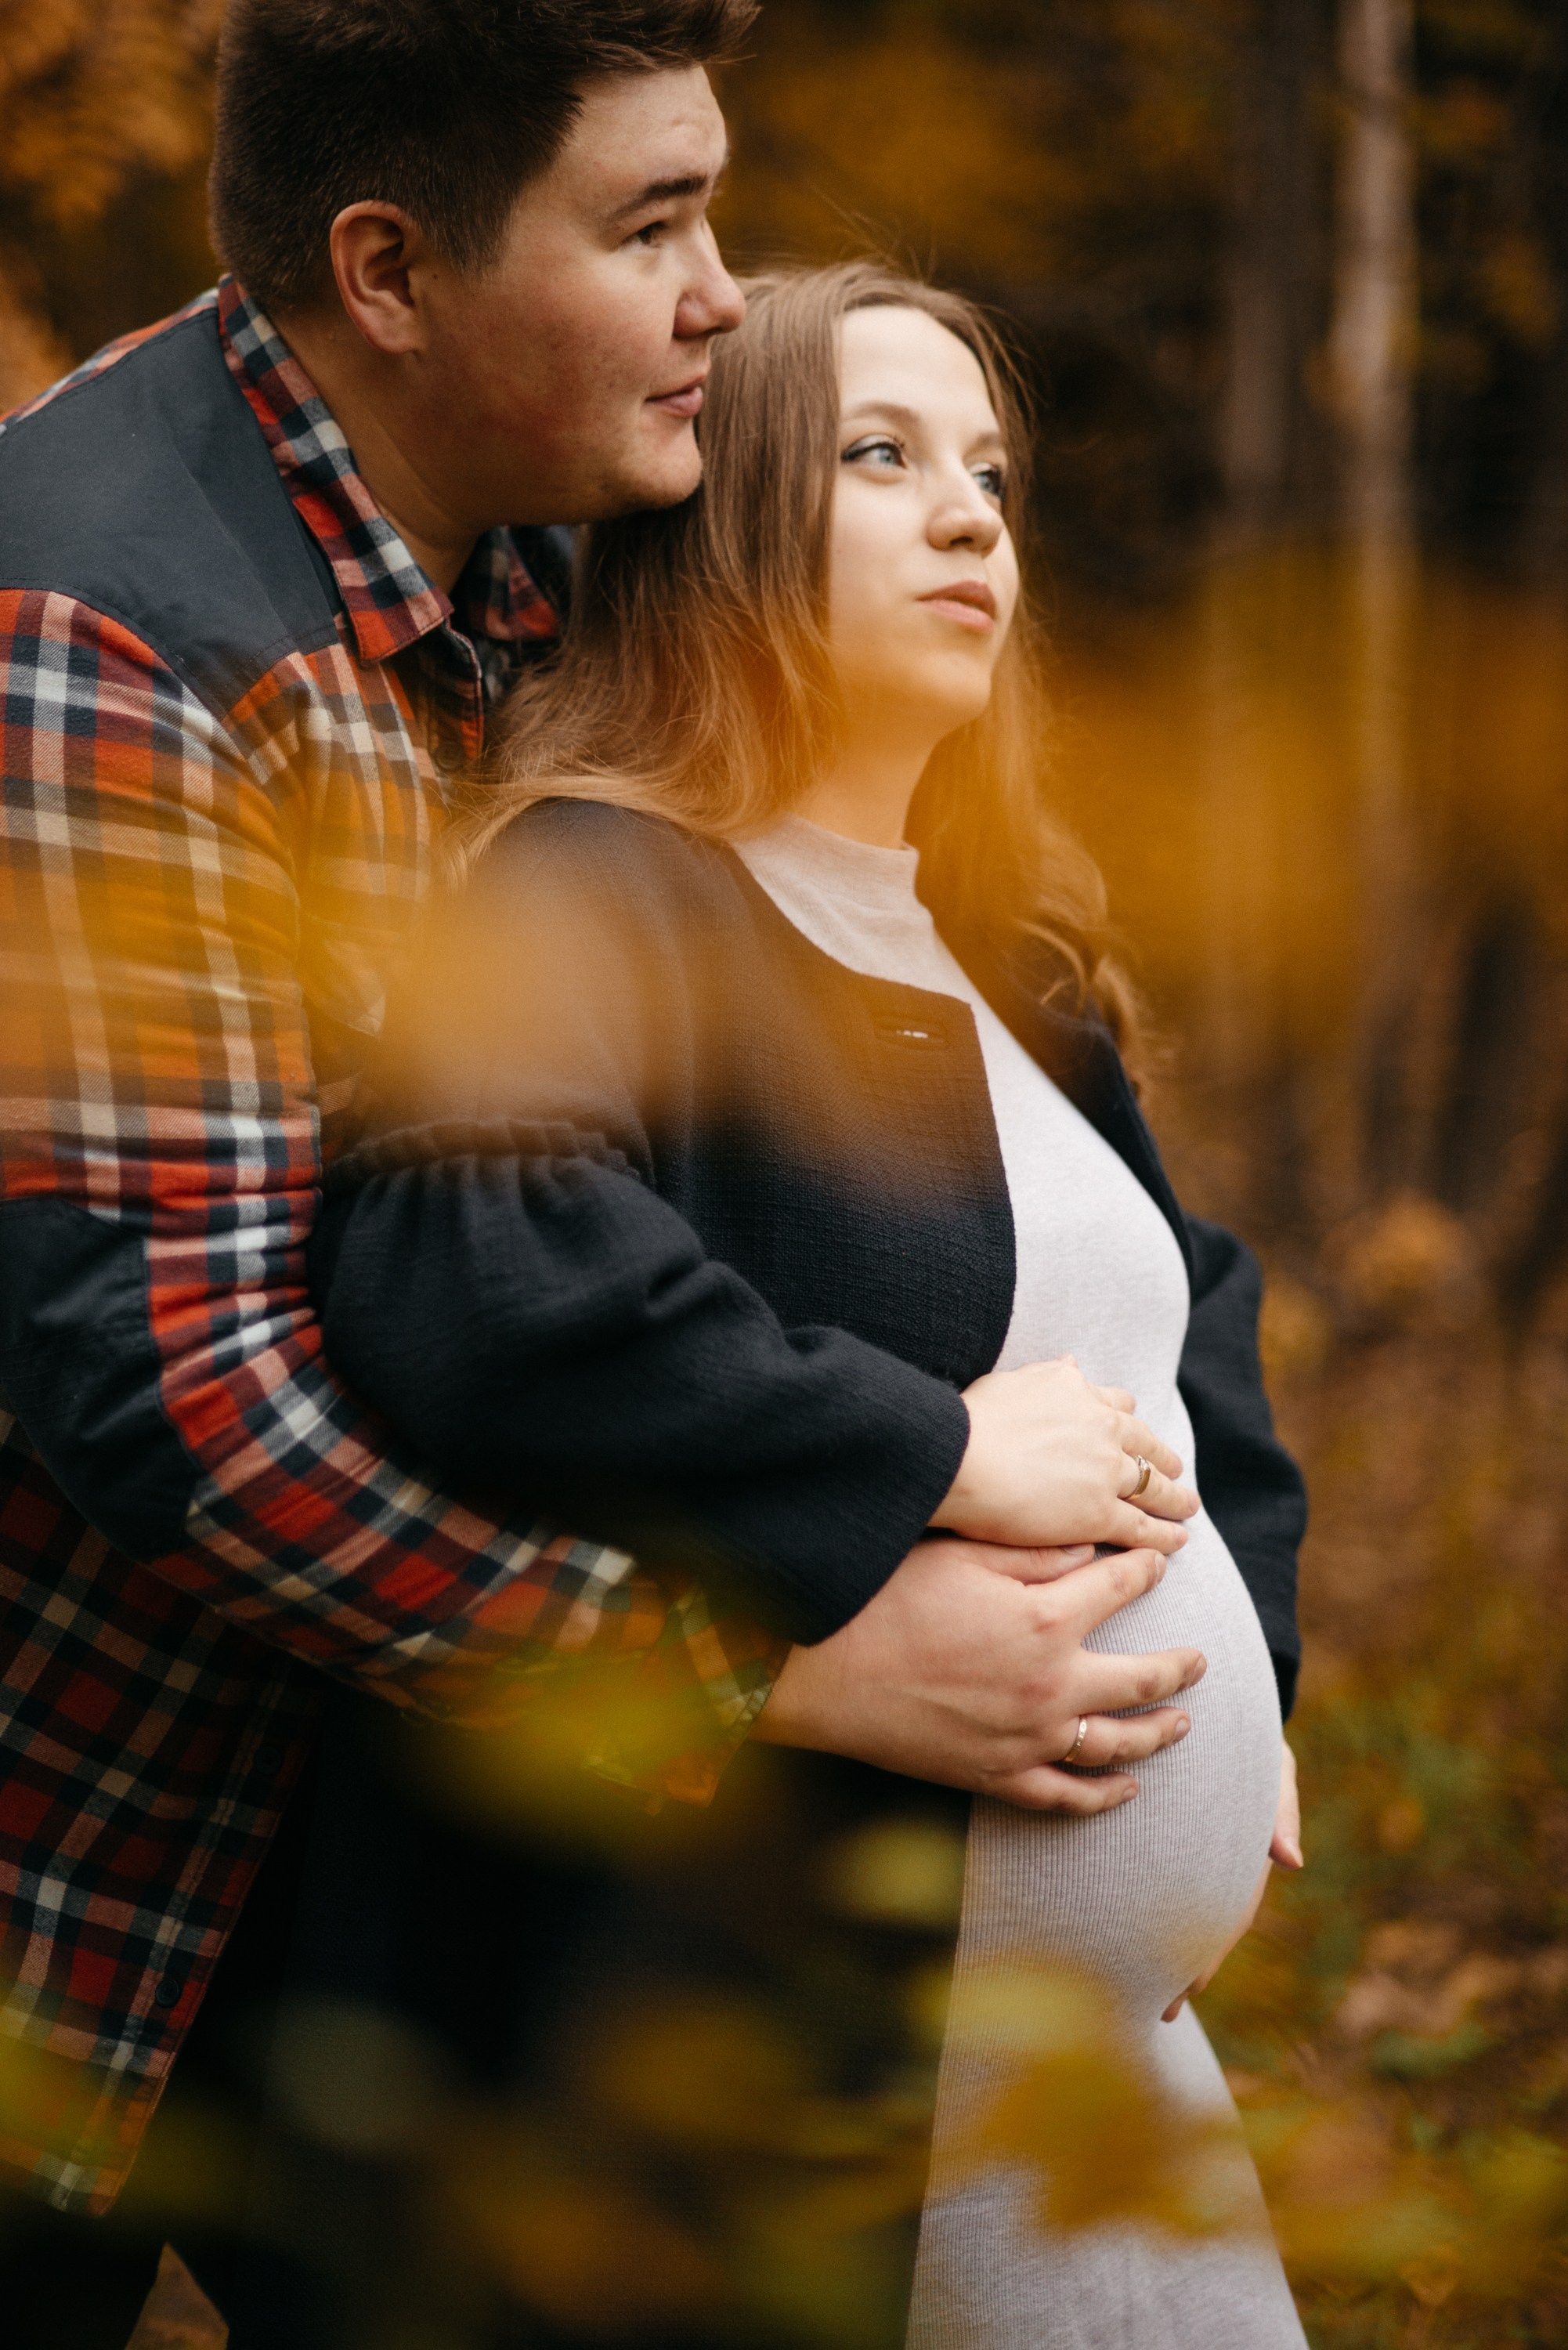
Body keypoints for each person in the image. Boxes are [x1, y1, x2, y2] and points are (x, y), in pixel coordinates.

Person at [0, 9, 1209, 2344]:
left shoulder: (532, 557)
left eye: (715, 207)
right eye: (648, 223)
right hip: (72, 1845)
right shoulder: (101, 627)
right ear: (388, 272)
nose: (722, 295)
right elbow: (165, 1381)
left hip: (376, 1880)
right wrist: (762, 1677)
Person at [289, 261, 1309, 2348]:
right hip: (823, 2088)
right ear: (723, 514)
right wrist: (919, 1452)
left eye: (991, 476)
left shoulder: (999, 957)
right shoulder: (596, 885)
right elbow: (475, 1268)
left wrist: (1252, 1662)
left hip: (1104, 2076)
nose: (968, 519)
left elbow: (1193, 1312)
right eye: (880, 458)